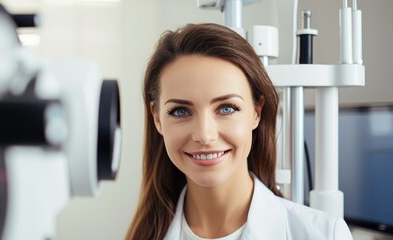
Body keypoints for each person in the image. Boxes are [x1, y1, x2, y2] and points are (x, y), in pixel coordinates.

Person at [125, 23, 353, 240]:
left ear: (256, 111)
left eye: (226, 108)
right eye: (181, 111)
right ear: (157, 117)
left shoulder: (324, 234)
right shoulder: (145, 234)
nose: (204, 135)